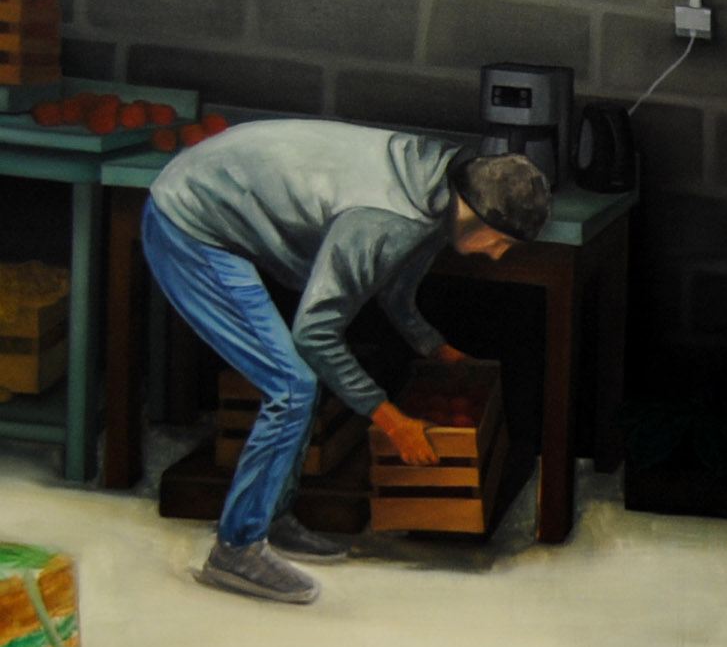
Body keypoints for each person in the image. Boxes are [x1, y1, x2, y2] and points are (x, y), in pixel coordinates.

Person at [142, 120, 550, 606]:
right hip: (187, 221)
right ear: (476, 213)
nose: (498, 257)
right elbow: (313, 332)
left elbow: (393, 287)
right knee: (292, 385)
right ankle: (235, 548)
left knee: (298, 382)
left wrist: (436, 348)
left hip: (214, 195)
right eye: (501, 241)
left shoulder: (441, 185)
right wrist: (392, 421)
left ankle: (270, 516)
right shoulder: (387, 217)